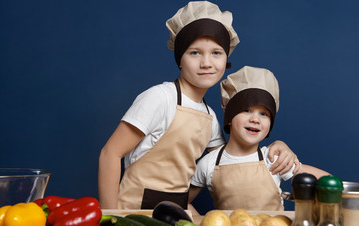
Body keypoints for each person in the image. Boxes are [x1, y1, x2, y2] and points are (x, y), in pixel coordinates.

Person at [98, 1, 299, 210]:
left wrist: (279, 147)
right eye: (195, 52)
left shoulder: (209, 117)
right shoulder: (159, 98)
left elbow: (232, 163)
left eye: (216, 53)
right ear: (180, 59)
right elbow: (110, 154)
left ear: (226, 59)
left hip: (174, 219)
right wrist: (111, 218)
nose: (207, 63)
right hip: (134, 214)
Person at [189, 66, 329, 213]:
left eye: (263, 114)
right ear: (229, 118)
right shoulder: (208, 164)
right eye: (246, 110)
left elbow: (328, 182)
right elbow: (181, 203)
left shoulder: (273, 159)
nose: (255, 119)